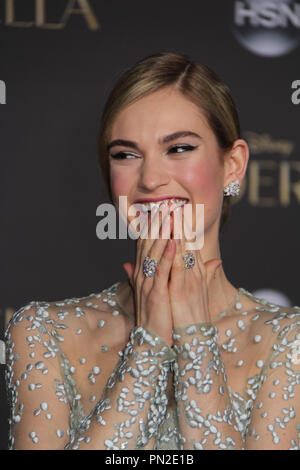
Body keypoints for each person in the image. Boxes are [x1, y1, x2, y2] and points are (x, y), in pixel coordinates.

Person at [5, 52, 300, 450]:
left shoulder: (287, 341)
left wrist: (195, 336)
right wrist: (149, 341)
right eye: (125, 154)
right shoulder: (42, 331)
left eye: (178, 148)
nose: (151, 179)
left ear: (233, 165)